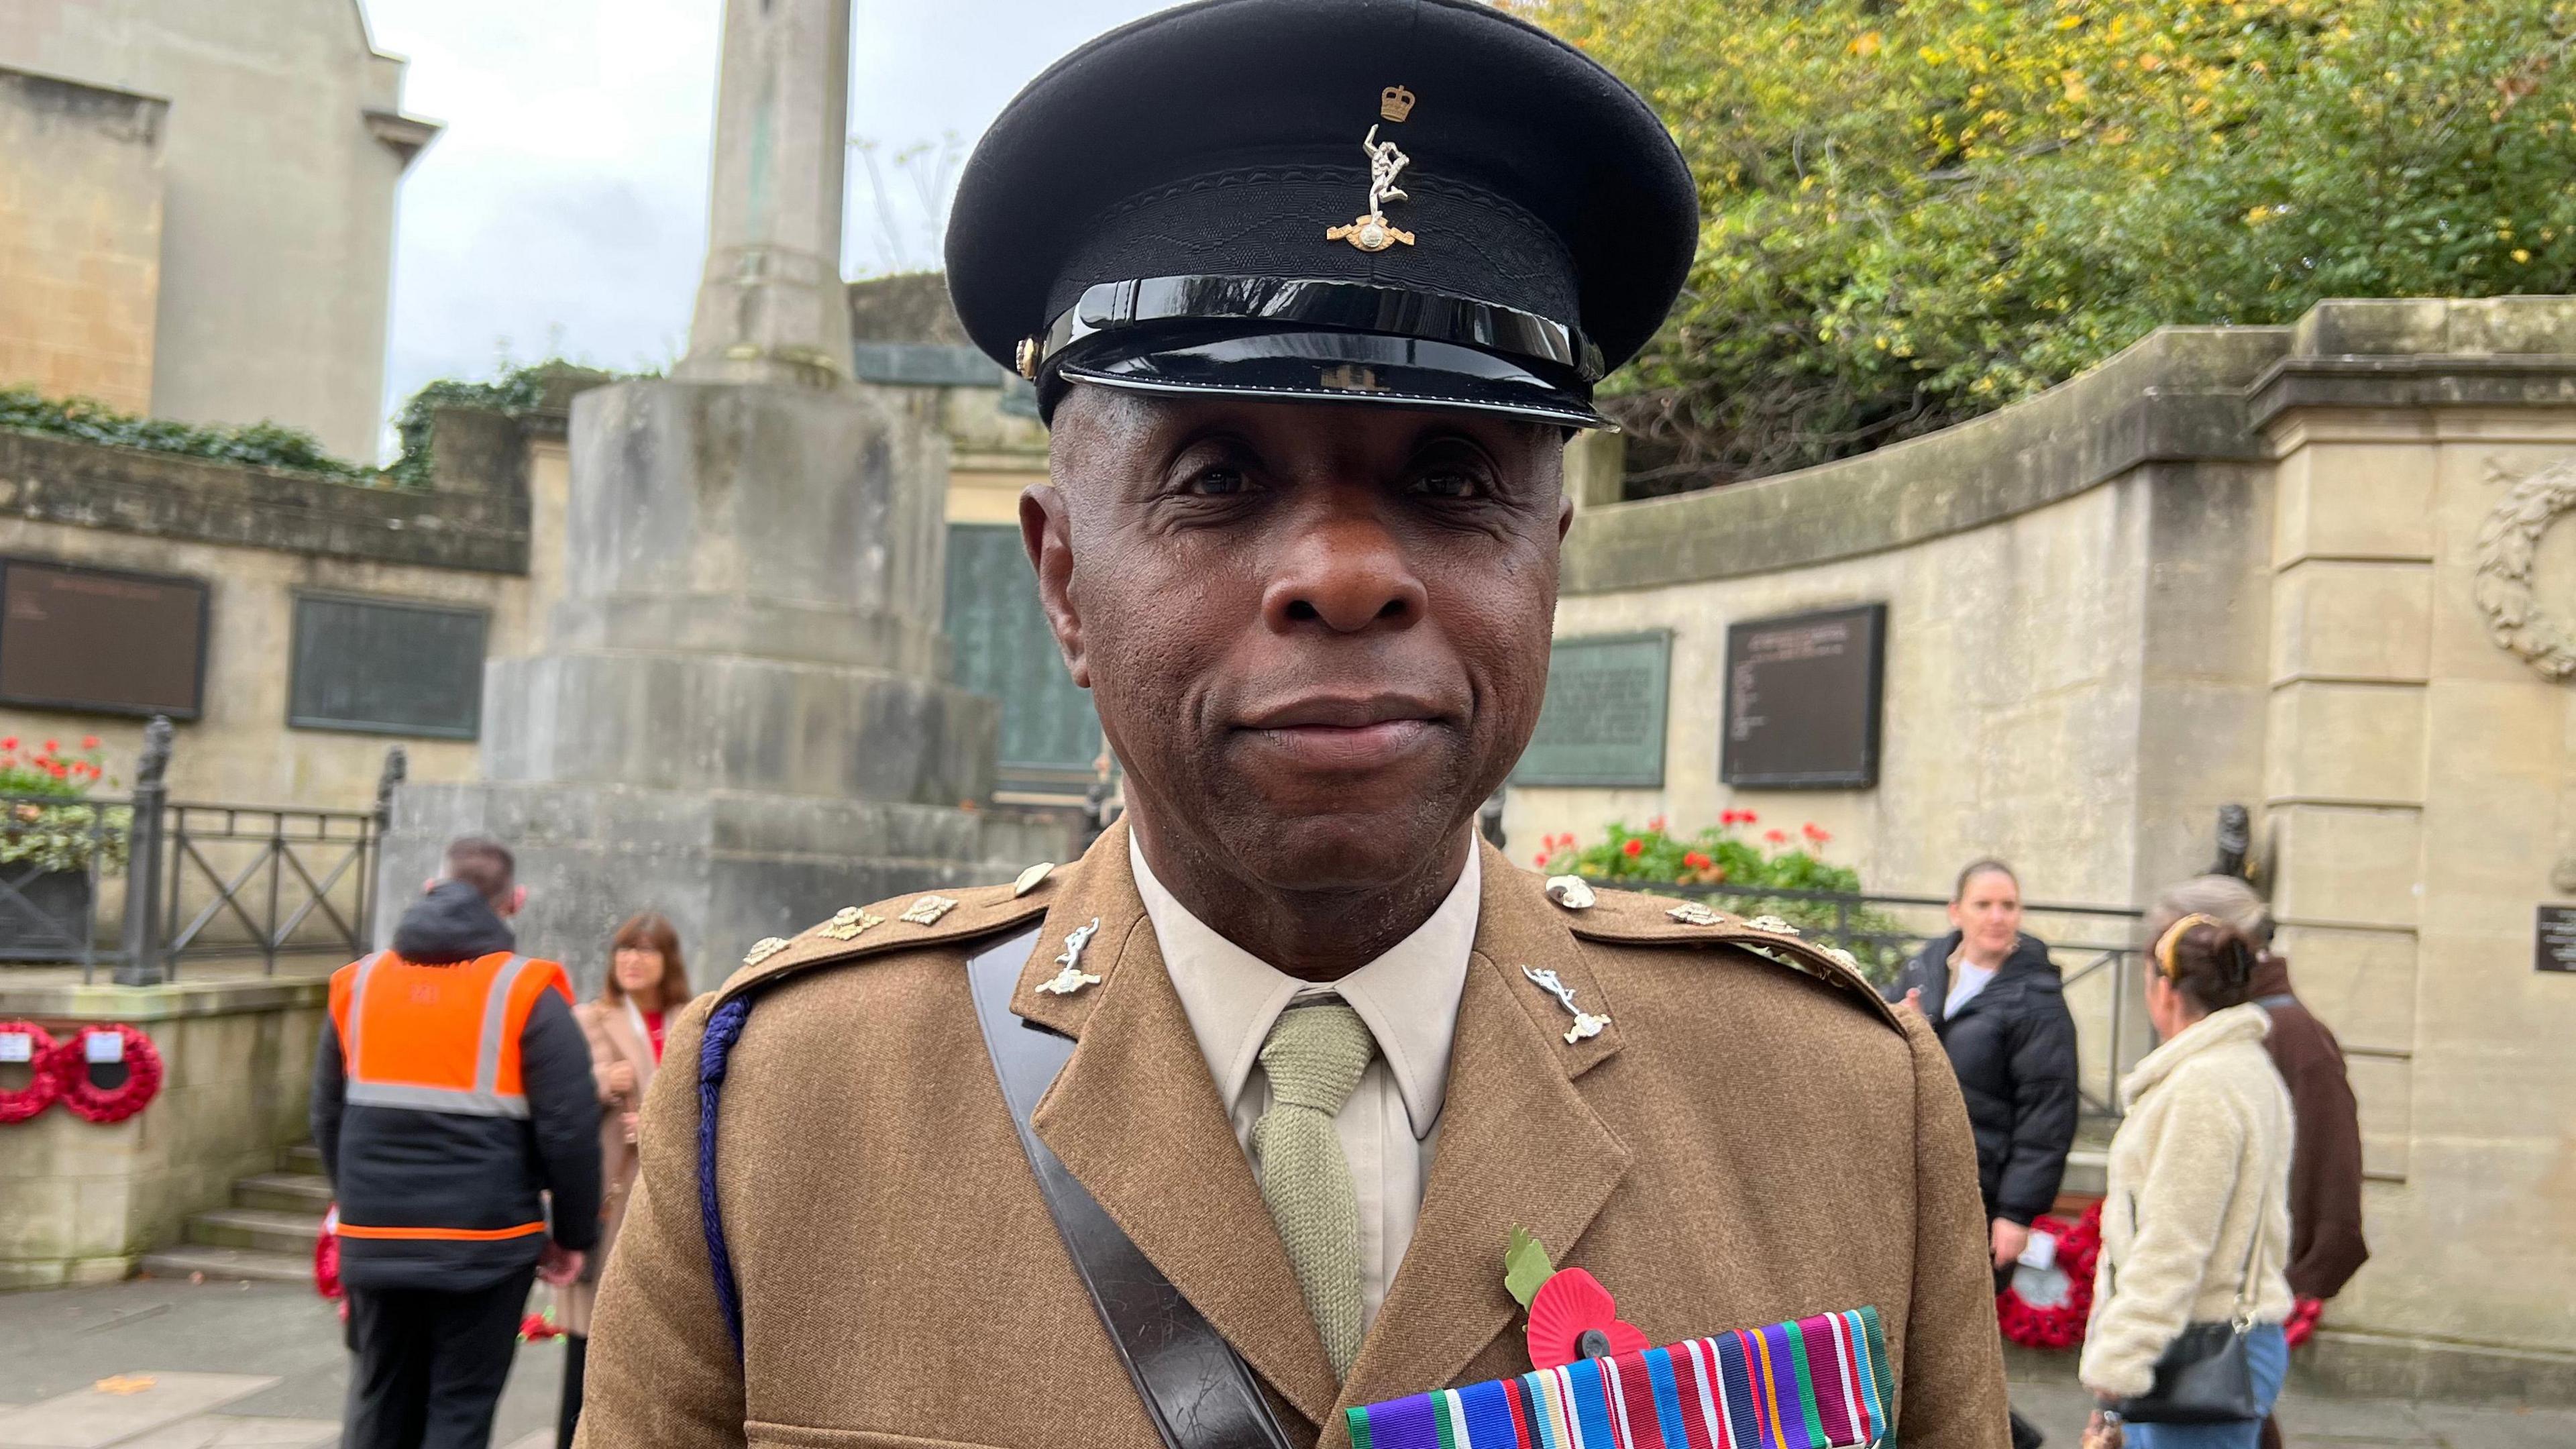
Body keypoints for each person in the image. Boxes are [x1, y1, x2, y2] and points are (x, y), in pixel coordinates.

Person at [576, 3, 2010, 1446]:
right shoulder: (782, 1116)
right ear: (1065, 580)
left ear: (1550, 560)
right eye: (1216, 477)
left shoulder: (1837, 1109)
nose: (1346, 573)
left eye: (1452, 479)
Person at [313, 837, 602, 1449]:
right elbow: (569, 1129)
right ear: (514, 901)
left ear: (430, 887)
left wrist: (359, 1202)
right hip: (486, 1242)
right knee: (460, 1408)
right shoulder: (528, 993)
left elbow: (326, 1115)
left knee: (378, 1394)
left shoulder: (356, 985)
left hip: (376, 1235)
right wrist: (574, 1237)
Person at [2146, 879, 2367, 1449]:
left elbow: (2327, 1168)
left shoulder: (2288, 1035)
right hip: (2203, 1308)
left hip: (2233, 1307)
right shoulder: (2228, 1033)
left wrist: (2293, 1278)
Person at [2081, 916, 2294, 1449]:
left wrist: (2121, 1357)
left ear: (2166, 989)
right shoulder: (2242, 1067)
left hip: (2196, 1351)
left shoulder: (2204, 1085)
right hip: (2211, 1343)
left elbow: (2175, 1240)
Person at [1886, 859, 2078, 1449]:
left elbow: (2048, 1114)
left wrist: (2018, 1213)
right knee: (1919, 1338)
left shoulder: (2037, 998)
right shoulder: (1924, 970)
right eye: (1984, 905)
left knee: (1960, 1342)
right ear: (1956, 912)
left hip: (1984, 1192)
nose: (1998, 918)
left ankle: (2008, 1439)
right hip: (1915, 1186)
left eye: (2009, 906)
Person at [555, 913, 694, 1449]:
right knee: (589, 1340)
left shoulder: (692, 1018)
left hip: (665, 1193)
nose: (632, 962)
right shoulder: (590, 1019)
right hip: (609, 1193)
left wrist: (661, 1119)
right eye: (624, 951)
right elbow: (558, 1098)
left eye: (646, 951)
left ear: (668, 961)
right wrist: (599, 1083)